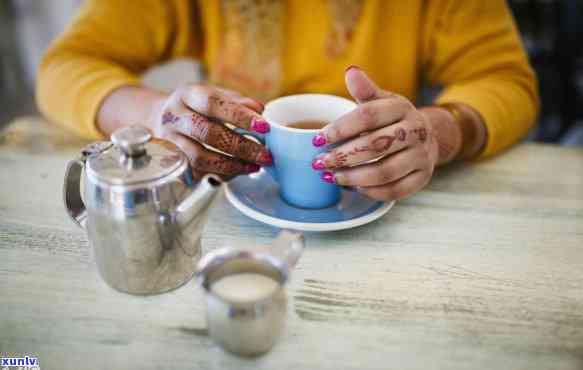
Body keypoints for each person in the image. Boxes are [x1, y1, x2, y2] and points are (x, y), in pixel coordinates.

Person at [37, 0, 539, 201]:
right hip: (223, 211)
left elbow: (504, 80)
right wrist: (155, 115)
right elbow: (65, 66)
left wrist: (435, 134)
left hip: (386, 202)